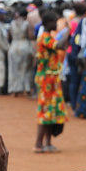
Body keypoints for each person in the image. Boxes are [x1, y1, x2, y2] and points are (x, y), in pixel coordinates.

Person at [34, 10, 70, 153]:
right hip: (46, 80)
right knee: (45, 112)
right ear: (48, 23)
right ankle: (38, 144)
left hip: (52, 79)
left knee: (51, 112)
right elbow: (59, 45)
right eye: (54, 21)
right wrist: (68, 29)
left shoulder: (48, 37)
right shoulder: (44, 38)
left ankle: (47, 142)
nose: (56, 24)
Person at [8, 8, 33, 96]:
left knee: (14, 69)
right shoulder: (27, 23)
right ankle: (27, 88)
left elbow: (9, 37)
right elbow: (31, 36)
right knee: (26, 69)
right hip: (25, 45)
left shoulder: (12, 23)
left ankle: (15, 89)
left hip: (14, 45)